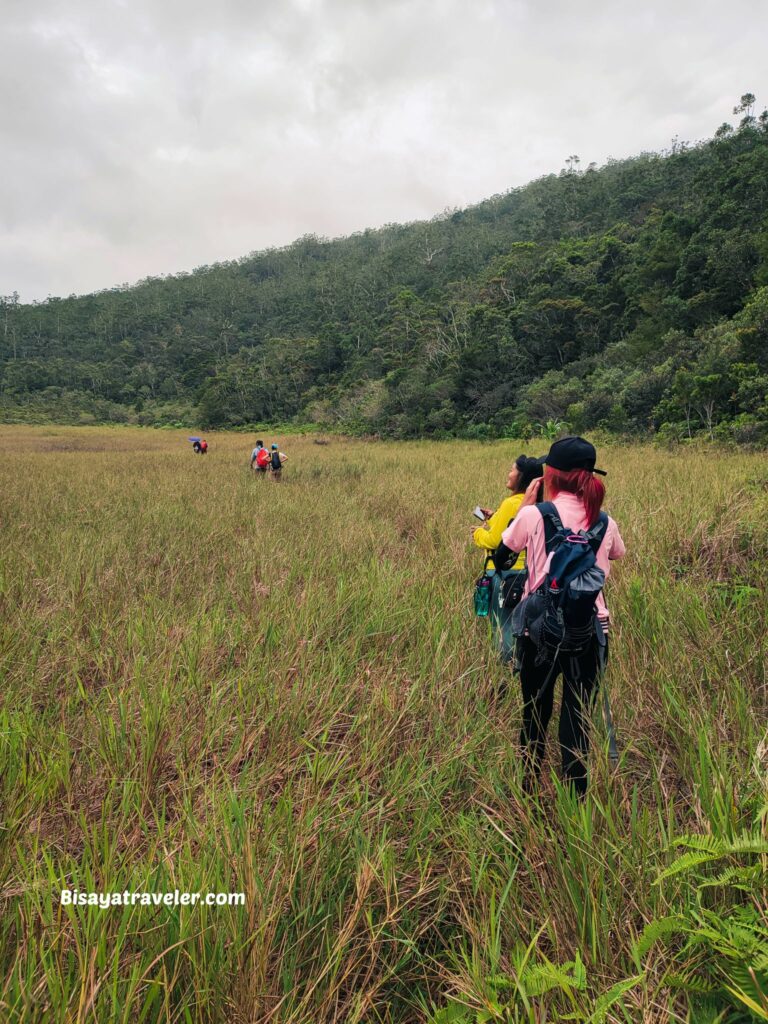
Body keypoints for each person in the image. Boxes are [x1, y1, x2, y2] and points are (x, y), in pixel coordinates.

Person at [494, 436, 625, 797]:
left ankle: (529, 787)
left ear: (550, 474)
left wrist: (526, 507)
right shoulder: (605, 522)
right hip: (591, 629)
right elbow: (618, 554)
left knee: (535, 712)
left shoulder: (535, 514)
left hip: (540, 630)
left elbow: (502, 558)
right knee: (577, 716)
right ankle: (576, 799)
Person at [472, 455, 544, 664]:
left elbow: (495, 540)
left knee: (502, 625)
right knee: (521, 626)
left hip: (505, 574)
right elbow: (511, 526)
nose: (509, 473)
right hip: (529, 574)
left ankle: (505, 669)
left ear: (522, 477)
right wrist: (493, 517)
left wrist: (477, 533)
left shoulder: (511, 503)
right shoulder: (538, 505)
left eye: (512, 470)